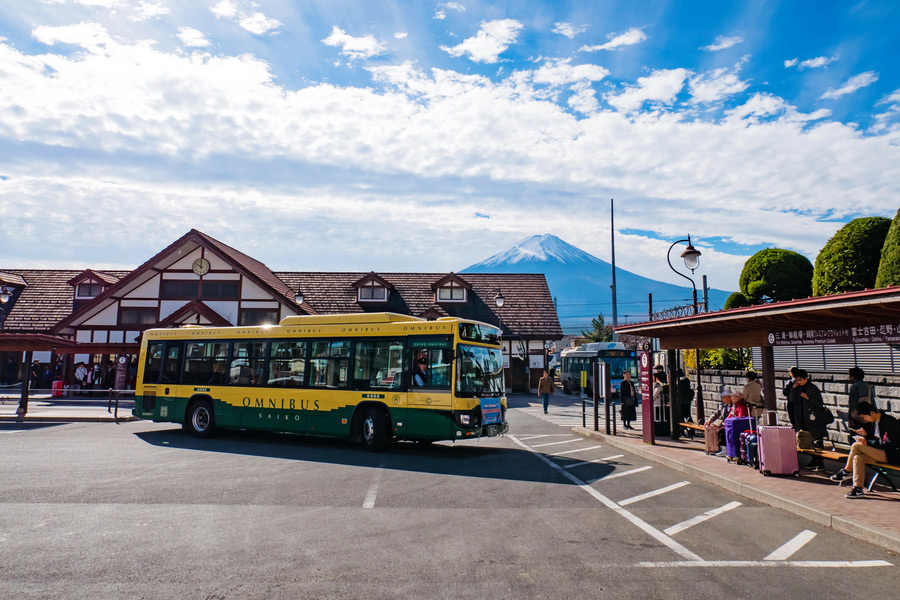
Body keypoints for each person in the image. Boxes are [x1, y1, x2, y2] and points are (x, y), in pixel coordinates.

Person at [829, 402, 900, 498]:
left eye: (865, 417)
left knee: (856, 446)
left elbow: (889, 444)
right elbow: (878, 440)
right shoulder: (874, 422)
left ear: (871, 413)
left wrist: (867, 442)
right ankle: (857, 488)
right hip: (883, 453)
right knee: (858, 458)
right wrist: (865, 435)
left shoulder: (889, 422)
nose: (865, 419)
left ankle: (846, 471)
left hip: (893, 455)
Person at [792, 369, 828, 471]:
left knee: (817, 440)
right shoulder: (798, 388)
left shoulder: (813, 388)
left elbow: (818, 403)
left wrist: (808, 398)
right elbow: (791, 399)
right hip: (802, 417)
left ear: (806, 378)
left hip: (813, 419)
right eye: (797, 380)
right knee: (808, 441)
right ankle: (814, 460)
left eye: (800, 379)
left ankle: (819, 461)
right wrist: (794, 389)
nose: (799, 382)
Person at [846, 367, 876, 443]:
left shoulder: (854, 387)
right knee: (867, 439)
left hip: (858, 417)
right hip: (869, 416)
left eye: (850, 375)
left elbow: (852, 404)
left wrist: (850, 419)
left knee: (856, 438)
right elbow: (873, 402)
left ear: (853, 376)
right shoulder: (868, 386)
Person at [783, 366, 801, 430]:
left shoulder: (790, 382)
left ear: (791, 373)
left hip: (792, 403)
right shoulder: (802, 380)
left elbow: (785, 393)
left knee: (794, 420)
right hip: (801, 403)